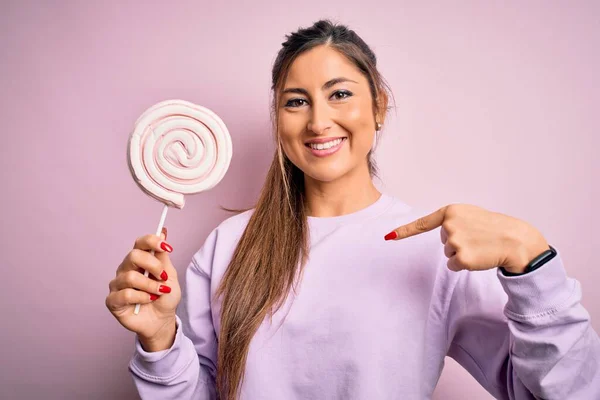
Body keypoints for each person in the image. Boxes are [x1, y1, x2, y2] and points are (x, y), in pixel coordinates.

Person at [106, 20, 600, 400]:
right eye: (295, 101)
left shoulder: (437, 250)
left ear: (379, 106)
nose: (319, 122)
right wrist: (159, 339)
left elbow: (564, 391)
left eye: (340, 94)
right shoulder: (228, 246)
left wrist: (531, 260)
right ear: (277, 119)